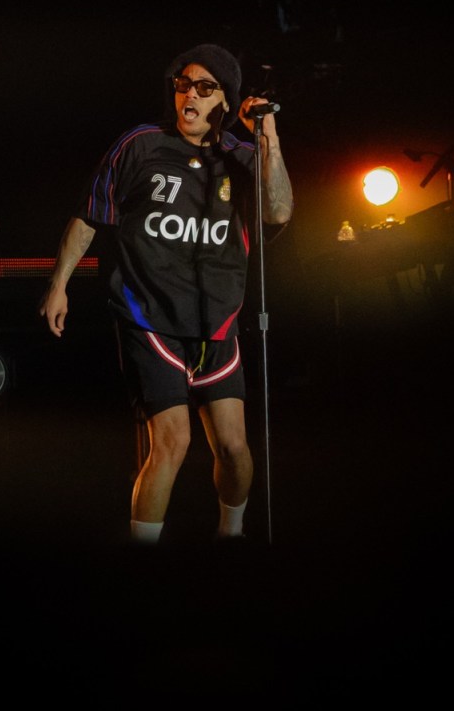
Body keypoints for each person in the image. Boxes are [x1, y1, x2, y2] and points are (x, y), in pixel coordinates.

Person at [40, 43, 293, 545]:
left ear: (226, 99)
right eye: (183, 84)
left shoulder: (243, 158)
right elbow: (90, 215)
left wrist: (268, 137)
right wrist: (58, 284)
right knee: (173, 441)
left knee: (234, 449)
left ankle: (231, 534)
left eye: (204, 87)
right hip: (149, 318)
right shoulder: (140, 144)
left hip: (217, 323)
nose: (189, 95)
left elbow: (279, 211)